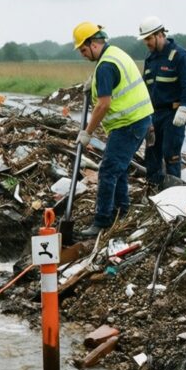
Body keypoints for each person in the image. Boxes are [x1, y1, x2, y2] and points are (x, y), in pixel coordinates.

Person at [72, 22, 154, 237]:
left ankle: (102, 221)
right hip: (138, 119)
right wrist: (95, 82)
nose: (82, 54)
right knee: (119, 168)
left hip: (128, 123)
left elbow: (103, 105)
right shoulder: (115, 53)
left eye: (83, 49)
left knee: (108, 171)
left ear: (93, 44)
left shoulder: (106, 66)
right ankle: (121, 212)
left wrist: (87, 132)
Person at [138, 16, 186, 188]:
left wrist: (184, 109)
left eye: (148, 38)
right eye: (144, 39)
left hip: (173, 115)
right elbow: (145, 88)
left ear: (159, 34)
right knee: (152, 155)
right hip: (153, 115)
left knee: (171, 155)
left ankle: (174, 194)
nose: (146, 43)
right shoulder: (150, 58)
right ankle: (153, 190)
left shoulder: (180, 56)